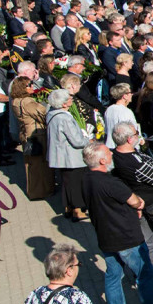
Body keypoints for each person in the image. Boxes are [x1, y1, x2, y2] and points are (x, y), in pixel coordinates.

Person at [81, 142, 153, 304]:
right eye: (108, 153)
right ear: (102, 160)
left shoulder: (85, 178)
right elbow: (137, 202)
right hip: (126, 237)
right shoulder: (111, 183)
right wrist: (138, 202)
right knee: (144, 273)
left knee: (113, 276)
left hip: (105, 236)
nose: (111, 154)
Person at [109, 122, 153, 295]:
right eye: (136, 133)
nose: (138, 135)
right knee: (152, 245)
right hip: (151, 209)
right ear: (129, 139)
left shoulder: (117, 155)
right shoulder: (134, 162)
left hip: (143, 205)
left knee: (148, 244)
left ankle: (140, 275)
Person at [46, 89, 92, 221]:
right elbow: (77, 141)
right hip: (71, 156)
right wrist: (88, 140)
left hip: (60, 155)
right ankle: (77, 210)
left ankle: (68, 207)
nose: (71, 99)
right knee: (75, 183)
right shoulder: (64, 118)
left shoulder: (51, 113)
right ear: (64, 103)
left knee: (66, 182)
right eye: (69, 98)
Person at [11, 76, 56, 200]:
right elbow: (42, 114)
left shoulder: (16, 101)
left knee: (30, 163)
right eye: (29, 85)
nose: (32, 87)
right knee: (40, 164)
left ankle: (34, 189)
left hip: (25, 133)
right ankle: (42, 190)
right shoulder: (28, 102)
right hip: (36, 134)